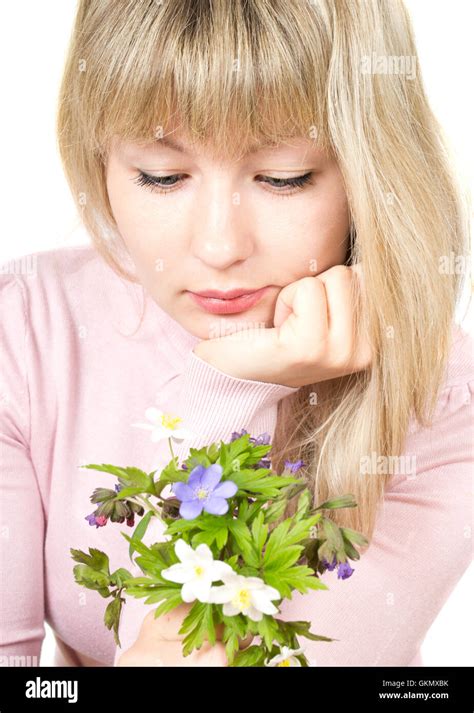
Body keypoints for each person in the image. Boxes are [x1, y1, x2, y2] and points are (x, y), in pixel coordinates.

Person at [0, 0, 472, 667]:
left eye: (284, 178)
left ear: (371, 170)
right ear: (100, 160)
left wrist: (219, 395)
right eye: (162, 177)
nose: (220, 245)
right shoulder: (23, 332)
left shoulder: (445, 396)